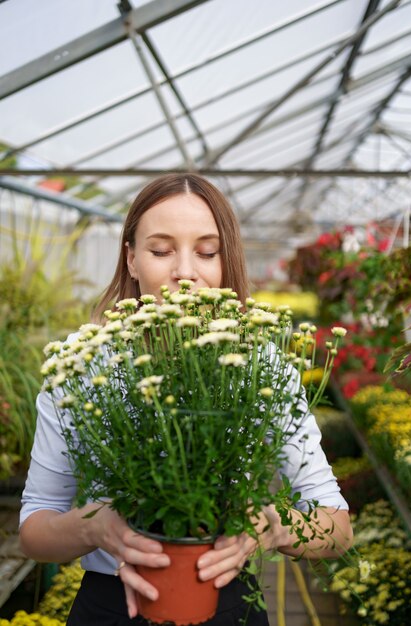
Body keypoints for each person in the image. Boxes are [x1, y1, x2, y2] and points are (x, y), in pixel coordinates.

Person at [19, 173, 353, 626]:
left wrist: (271, 527)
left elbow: (336, 525)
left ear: (224, 262)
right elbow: (34, 529)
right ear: (131, 259)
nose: (185, 271)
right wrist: (93, 526)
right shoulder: (82, 369)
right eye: (160, 250)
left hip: (226, 600)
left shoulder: (261, 367)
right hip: (111, 604)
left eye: (206, 251)